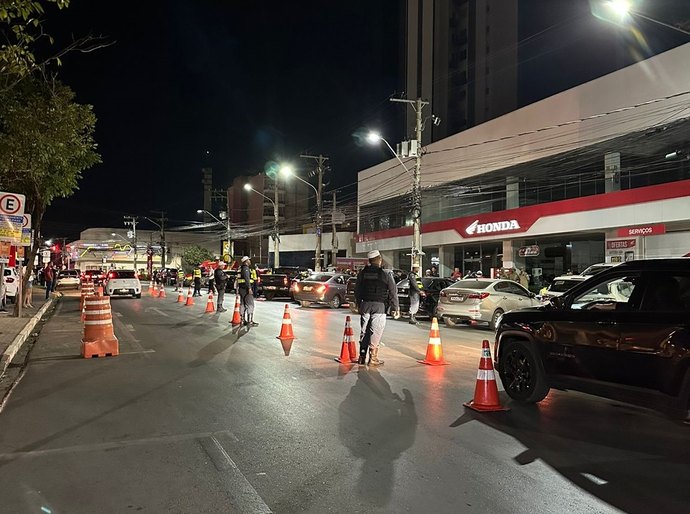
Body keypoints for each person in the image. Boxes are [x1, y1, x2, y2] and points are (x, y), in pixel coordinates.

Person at [355, 250, 400, 367]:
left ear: (369, 261)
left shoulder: (362, 273)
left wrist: (359, 304)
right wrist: (395, 308)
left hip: (365, 304)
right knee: (376, 331)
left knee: (364, 330)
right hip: (379, 306)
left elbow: (357, 290)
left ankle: (362, 356)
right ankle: (373, 358)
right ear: (379, 259)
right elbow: (393, 292)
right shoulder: (385, 274)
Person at [237, 256, 258, 326]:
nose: (250, 261)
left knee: (242, 303)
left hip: (241, 288)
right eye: (249, 260)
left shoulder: (240, 268)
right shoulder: (246, 269)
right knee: (250, 304)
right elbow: (247, 279)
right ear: (246, 261)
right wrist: (249, 288)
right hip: (246, 289)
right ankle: (250, 321)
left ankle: (242, 320)